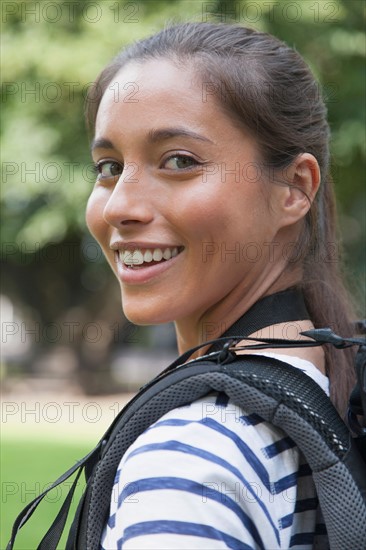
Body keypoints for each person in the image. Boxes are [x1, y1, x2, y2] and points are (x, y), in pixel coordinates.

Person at [85, 22, 356, 549]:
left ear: (293, 189)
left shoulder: (187, 463)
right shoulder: (334, 373)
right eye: (109, 166)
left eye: (179, 162)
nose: (119, 204)